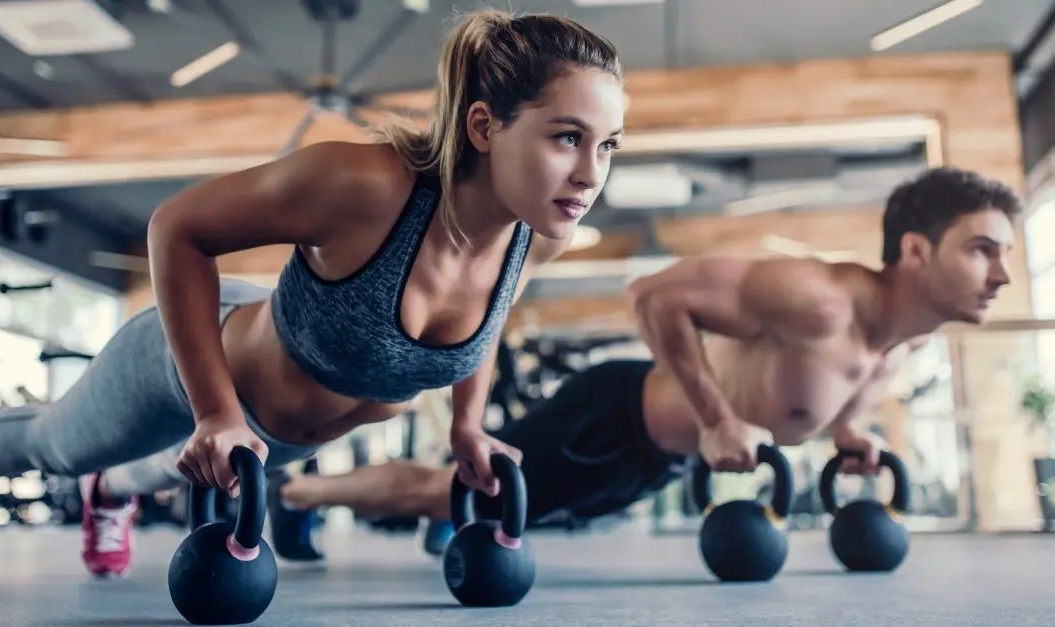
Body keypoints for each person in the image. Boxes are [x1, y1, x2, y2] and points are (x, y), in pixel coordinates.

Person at [0, 9, 628, 585]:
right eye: (568, 137)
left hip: (271, 436)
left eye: (608, 145)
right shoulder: (365, 187)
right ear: (483, 126)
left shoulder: (537, 235)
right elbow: (177, 227)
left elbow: (484, 323)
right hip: (196, 361)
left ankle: (112, 493)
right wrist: (214, 410)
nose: (591, 172)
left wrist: (468, 425)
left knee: (167, 465)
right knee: (55, 448)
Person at [268, 165, 1020, 558]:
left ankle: (316, 495)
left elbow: (830, 384)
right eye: (982, 249)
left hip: (648, 461)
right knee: (447, 493)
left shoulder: (904, 340)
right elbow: (654, 294)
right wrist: (719, 416)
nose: (1003, 275)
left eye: (1007, 254)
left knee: (477, 505)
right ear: (917, 251)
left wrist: (850, 430)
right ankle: (298, 494)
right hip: (612, 419)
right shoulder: (818, 296)